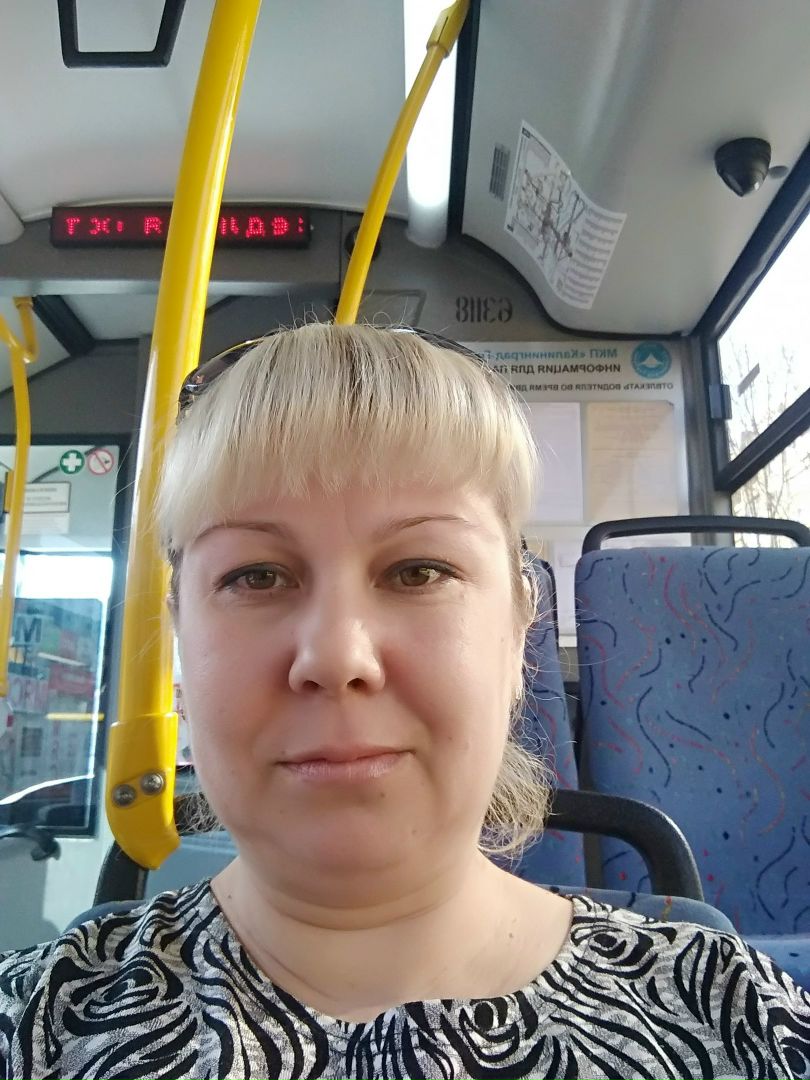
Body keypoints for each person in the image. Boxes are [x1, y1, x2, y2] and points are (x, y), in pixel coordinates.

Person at [1, 322, 808, 1079]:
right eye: (257, 576)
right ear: (181, 637)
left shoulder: (734, 1020)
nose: (335, 656)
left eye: (419, 571)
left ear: (518, 628)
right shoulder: (37, 1025)